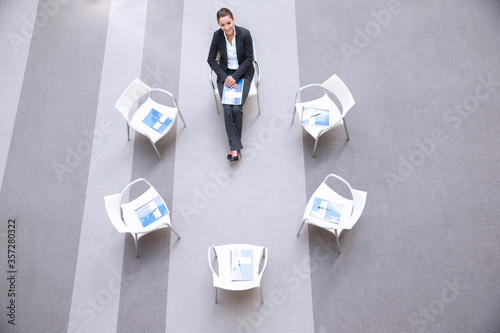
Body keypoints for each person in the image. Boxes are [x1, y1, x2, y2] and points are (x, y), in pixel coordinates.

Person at [207, 8, 254, 161]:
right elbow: (211, 59)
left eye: (228, 23)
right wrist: (225, 76)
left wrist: (235, 77)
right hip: (225, 74)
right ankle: (235, 147)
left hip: (243, 74)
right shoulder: (217, 36)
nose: (226, 27)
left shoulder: (245, 34)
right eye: (222, 25)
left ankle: (233, 147)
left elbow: (248, 59)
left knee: (237, 108)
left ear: (233, 20)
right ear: (218, 25)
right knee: (228, 108)